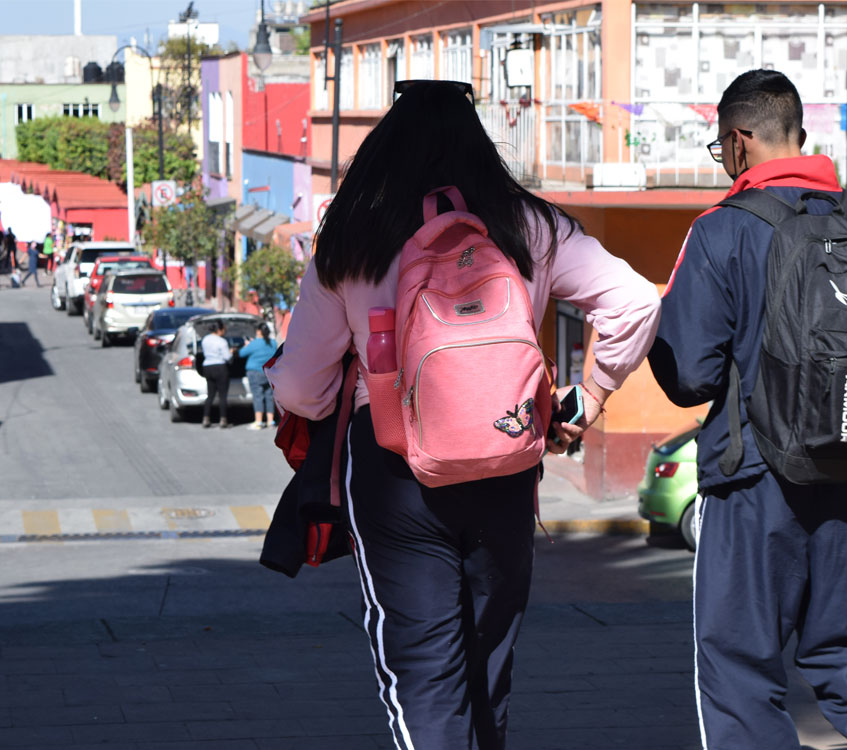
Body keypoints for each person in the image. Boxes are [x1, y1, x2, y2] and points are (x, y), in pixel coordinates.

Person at [266, 79, 660, 750]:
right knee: (488, 668)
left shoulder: (355, 235)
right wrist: (589, 401)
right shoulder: (527, 224)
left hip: (395, 473)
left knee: (422, 675)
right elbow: (634, 302)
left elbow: (300, 389)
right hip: (506, 457)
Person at [648, 69, 847, 750]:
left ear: (738, 142)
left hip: (752, 483)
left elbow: (689, 375)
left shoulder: (720, 232)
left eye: (722, 151)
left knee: (741, 674)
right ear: (800, 137)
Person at [237, 322, 277, 430]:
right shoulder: (273, 343)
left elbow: (241, 354)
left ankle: (258, 422)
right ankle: (270, 421)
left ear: (259, 331)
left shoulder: (254, 343)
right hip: (269, 373)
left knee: (258, 396)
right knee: (269, 396)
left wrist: (247, 345)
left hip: (254, 373)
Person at [200, 321, 232, 428]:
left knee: (210, 395)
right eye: (224, 329)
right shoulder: (222, 342)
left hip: (207, 367)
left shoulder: (205, 340)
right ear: (219, 330)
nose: (224, 331)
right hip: (220, 367)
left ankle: (206, 418)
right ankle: (223, 419)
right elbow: (227, 357)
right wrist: (232, 352)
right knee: (222, 396)